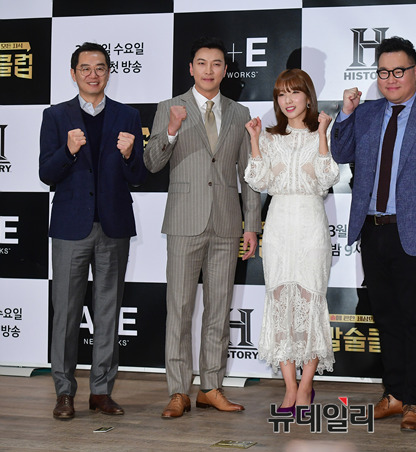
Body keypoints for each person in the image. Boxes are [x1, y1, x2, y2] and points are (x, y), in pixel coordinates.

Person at [330, 36, 416, 431]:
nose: (390, 79)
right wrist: (345, 113)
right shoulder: (367, 112)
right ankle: (392, 394)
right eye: (383, 72)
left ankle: (415, 401)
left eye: (399, 71)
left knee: (415, 319)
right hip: (373, 231)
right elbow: (340, 153)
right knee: (386, 317)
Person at [144, 36, 261, 418]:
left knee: (218, 310)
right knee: (179, 309)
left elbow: (249, 174)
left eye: (216, 64)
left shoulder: (240, 113)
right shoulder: (169, 107)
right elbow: (152, 162)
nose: (209, 70)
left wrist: (252, 225)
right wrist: (171, 130)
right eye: (202, 63)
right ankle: (178, 391)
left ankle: (211, 387)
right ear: (191, 68)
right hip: (184, 222)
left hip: (226, 224)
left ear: (225, 70)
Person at [39, 42, 147, 420]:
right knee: (66, 314)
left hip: (113, 226)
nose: (93, 74)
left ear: (109, 72)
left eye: (100, 67)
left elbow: (139, 176)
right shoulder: (55, 116)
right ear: (73, 74)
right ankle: (64, 392)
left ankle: (101, 391)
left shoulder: (128, 116)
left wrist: (131, 155)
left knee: (107, 312)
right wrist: (68, 151)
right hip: (71, 227)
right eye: (85, 68)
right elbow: (46, 173)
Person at [244, 69, 339, 414]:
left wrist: (323, 134)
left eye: (294, 93)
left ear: (308, 98)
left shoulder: (322, 132)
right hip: (279, 225)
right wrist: (255, 140)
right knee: (280, 303)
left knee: (310, 302)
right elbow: (257, 181)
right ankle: (289, 388)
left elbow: (327, 178)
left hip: (311, 225)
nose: (288, 100)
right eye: (281, 94)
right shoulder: (271, 137)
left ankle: (306, 386)